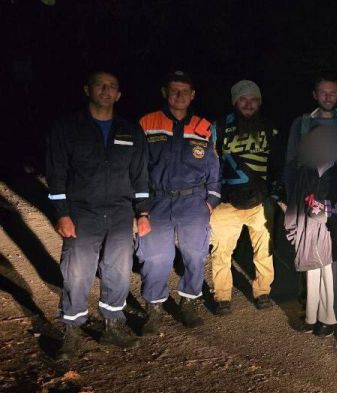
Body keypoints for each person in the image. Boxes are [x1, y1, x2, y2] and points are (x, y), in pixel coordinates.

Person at [46, 70, 149, 360]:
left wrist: (142, 213)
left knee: (118, 269)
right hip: (82, 212)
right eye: (100, 85)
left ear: (118, 95)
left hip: (120, 212)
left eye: (112, 86)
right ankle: (72, 329)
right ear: (87, 89)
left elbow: (140, 176)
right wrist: (62, 214)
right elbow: (56, 175)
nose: (106, 91)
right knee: (77, 272)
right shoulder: (67, 128)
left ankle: (112, 324)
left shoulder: (130, 130)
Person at [137, 70, 221, 331]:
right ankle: (154, 307)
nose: (179, 95)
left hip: (193, 202)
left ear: (193, 95)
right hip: (157, 202)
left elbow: (214, 168)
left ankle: (189, 301)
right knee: (154, 258)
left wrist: (211, 202)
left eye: (185, 91)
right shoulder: (147, 122)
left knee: (195, 256)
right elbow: (136, 168)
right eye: (174, 90)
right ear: (165, 93)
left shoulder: (204, 126)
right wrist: (140, 207)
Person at [284, 75, 337, 328]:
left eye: (332, 92)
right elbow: (291, 164)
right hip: (307, 197)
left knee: (334, 259)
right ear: (314, 94)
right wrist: (293, 203)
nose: (327, 97)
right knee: (308, 254)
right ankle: (310, 309)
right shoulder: (302, 124)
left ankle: (330, 313)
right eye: (322, 92)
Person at [209, 80, 282, 315]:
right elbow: (207, 163)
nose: (248, 103)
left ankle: (262, 291)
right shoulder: (218, 127)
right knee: (221, 251)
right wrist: (210, 197)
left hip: (259, 203)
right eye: (243, 98)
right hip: (225, 203)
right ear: (234, 102)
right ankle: (222, 296)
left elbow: (278, 164)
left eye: (253, 99)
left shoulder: (271, 129)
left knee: (264, 250)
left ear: (259, 102)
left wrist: (274, 193)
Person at [284, 125, 337, 337]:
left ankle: (329, 318)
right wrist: (291, 227)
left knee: (328, 276)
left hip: (329, 232)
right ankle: (311, 316)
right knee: (311, 275)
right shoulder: (305, 172)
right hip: (307, 231)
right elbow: (294, 202)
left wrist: (328, 211)